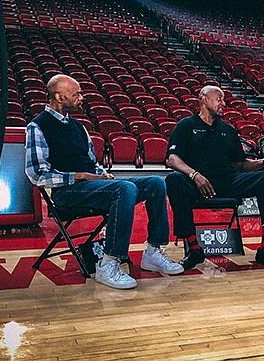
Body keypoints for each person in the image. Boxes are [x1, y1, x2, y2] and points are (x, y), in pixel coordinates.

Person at [25, 74, 184, 290]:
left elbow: (92, 164)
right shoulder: (37, 127)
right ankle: (108, 263)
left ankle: (153, 252)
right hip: (66, 193)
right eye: (76, 94)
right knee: (124, 188)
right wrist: (79, 176)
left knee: (156, 183)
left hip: (91, 186)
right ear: (59, 97)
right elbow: (36, 174)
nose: (82, 97)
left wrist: (101, 175)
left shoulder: (79, 127)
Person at [165, 85, 264, 270]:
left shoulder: (228, 130)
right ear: (204, 99)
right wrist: (195, 175)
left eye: (223, 99)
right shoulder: (186, 125)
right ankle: (194, 249)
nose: (223, 103)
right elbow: (172, 159)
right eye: (219, 98)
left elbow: (240, 165)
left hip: (227, 181)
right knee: (174, 180)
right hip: (196, 183)